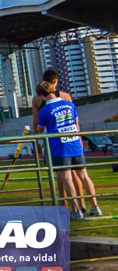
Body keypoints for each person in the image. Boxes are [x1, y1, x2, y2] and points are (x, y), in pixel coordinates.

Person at [36, 80, 102, 219]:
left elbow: (39, 130)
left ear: (41, 95)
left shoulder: (44, 110)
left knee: (66, 179)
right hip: (75, 145)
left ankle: (76, 210)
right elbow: (76, 123)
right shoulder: (70, 104)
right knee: (84, 176)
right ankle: (95, 206)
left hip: (59, 148)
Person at [31, 69, 86, 213]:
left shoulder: (37, 99)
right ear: (55, 81)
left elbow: (36, 123)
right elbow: (75, 121)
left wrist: (37, 143)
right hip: (72, 139)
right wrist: (79, 138)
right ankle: (82, 204)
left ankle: (65, 206)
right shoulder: (66, 96)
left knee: (62, 175)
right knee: (76, 174)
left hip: (54, 142)